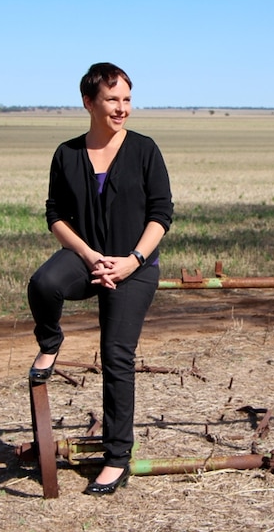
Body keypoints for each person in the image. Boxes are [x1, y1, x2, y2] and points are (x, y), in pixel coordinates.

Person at [26, 62, 173, 496]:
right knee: (43, 284)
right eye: (112, 99)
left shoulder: (145, 150)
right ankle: (50, 341)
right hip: (87, 257)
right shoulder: (66, 153)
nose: (122, 108)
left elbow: (161, 215)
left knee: (116, 356)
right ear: (89, 102)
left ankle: (116, 459)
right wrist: (90, 256)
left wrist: (132, 260)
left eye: (127, 99)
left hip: (135, 264)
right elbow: (55, 215)